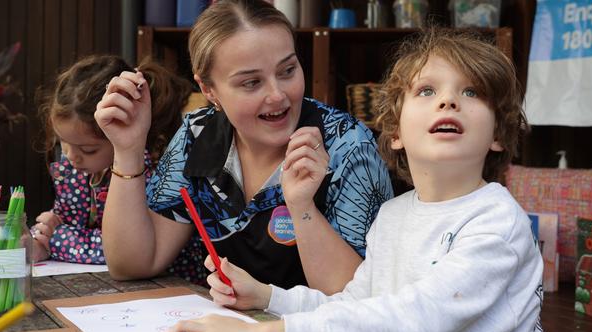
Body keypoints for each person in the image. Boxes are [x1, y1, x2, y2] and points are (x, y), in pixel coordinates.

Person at [163, 28, 547, 332]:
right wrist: (267, 298)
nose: (448, 101)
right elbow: (356, 307)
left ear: (499, 133)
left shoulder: (496, 221)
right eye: (427, 90)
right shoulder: (393, 216)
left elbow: (416, 326)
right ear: (394, 132)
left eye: (471, 92)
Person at [95, 0, 393, 292]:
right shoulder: (198, 135)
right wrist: (128, 150)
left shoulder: (347, 145)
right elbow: (132, 264)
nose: (278, 95)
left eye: (287, 70)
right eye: (251, 82)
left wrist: (303, 209)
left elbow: (358, 295)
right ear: (208, 89)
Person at [32, 55, 192, 263]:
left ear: (119, 131)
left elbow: (126, 250)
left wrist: (56, 240)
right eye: (62, 142)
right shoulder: (71, 171)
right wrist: (42, 233)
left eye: (88, 149)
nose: (71, 156)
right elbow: (62, 221)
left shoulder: (150, 172)